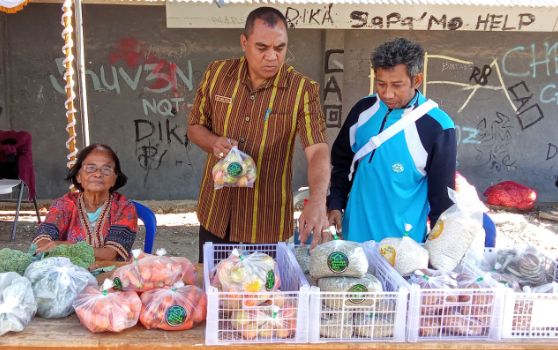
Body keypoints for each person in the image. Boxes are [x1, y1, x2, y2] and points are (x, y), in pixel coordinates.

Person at [187, 7, 330, 262]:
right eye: (262, 47)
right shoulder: (217, 74)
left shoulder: (302, 90)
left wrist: (318, 201)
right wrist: (213, 142)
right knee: (215, 290)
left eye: (280, 48)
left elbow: (317, 148)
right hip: (217, 212)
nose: (272, 57)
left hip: (265, 219)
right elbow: (195, 126)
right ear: (244, 42)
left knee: (262, 296)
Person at [327, 38, 457, 243]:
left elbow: (442, 199)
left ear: (417, 80)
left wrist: (436, 254)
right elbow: (342, 161)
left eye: (397, 85)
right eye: (381, 83)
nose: (387, 93)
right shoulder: (363, 110)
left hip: (402, 250)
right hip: (353, 243)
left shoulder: (438, 127)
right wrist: (335, 203)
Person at [33, 144, 138, 261]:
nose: (98, 174)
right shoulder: (64, 204)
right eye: (90, 168)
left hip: (110, 273)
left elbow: (110, 254)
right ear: (78, 176)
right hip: (67, 272)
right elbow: (43, 239)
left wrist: (68, 247)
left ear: (115, 178)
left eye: (106, 169)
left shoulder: (124, 208)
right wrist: (46, 245)